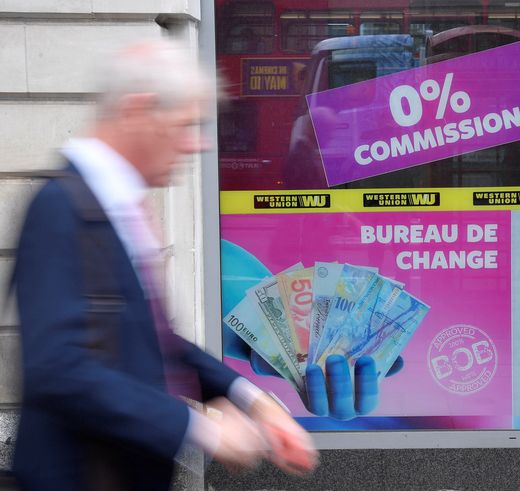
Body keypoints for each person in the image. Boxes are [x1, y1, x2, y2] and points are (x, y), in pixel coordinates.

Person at [11, 40, 318, 490]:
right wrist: (202, 430)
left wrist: (248, 397)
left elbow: (153, 342)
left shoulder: (117, 205)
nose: (197, 143)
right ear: (139, 110)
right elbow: (58, 368)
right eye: (186, 125)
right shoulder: (59, 207)